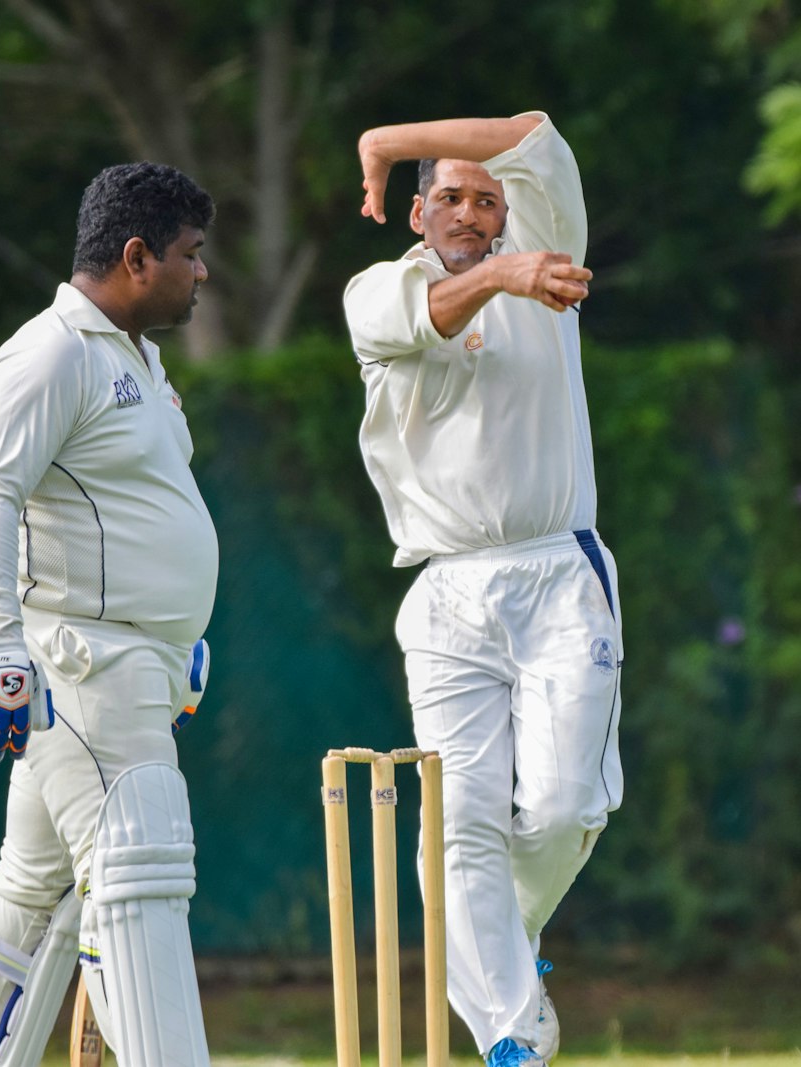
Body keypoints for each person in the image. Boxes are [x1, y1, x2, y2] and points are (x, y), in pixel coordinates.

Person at [343, 112, 623, 1067]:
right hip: (447, 589)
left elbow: (530, 127)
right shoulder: (374, 293)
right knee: (456, 821)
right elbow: (434, 315)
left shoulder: (549, 261)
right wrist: (504, 273)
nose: (471, 211)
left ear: (512, 211)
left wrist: (385, 135)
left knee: (558, 806)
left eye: (488, 200)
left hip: (558, 573)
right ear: (418, 211)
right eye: (452, 197)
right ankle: (514, 1029)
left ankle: (508, 939)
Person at [0, 162, 218, 1067]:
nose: (201, 272)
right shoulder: (51, 352)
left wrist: (180, 636)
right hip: (84, 671)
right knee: (141, 870)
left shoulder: (132, 354)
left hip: (134, 669)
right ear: (137, 256)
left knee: (34, 899)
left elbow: (140, 511)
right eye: (190, 254)